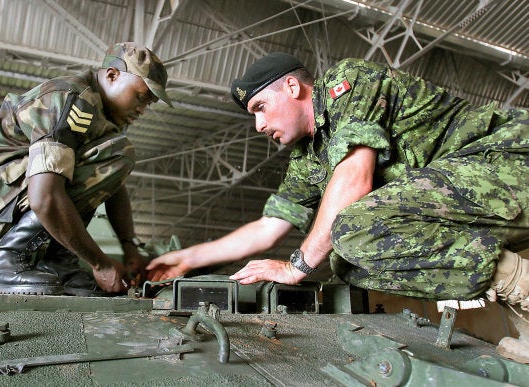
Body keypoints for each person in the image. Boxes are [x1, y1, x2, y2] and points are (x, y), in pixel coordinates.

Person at [146, 53, 529, 362]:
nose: (259, 125)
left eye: (262, 107)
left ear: (293, 87)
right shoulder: (307, 159)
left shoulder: (346, 84)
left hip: (508, 161)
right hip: (477, 198)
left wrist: (296, 266)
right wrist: (186, 259)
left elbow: (354, 177)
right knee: (346, 261)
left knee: (352, 229)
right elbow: (270, 226)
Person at [0, 42, 172, 296]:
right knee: (120, 153)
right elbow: (44, 196)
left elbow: (112, 187)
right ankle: (4, 258)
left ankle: (54, 262)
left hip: (5, 203)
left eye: (149, 104)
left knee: (116, 156)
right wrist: (100, 263)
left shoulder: (105, 117)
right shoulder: (69, 99)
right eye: (141, 97)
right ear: (112, 75)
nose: (142, 110)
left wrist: (129, 245)